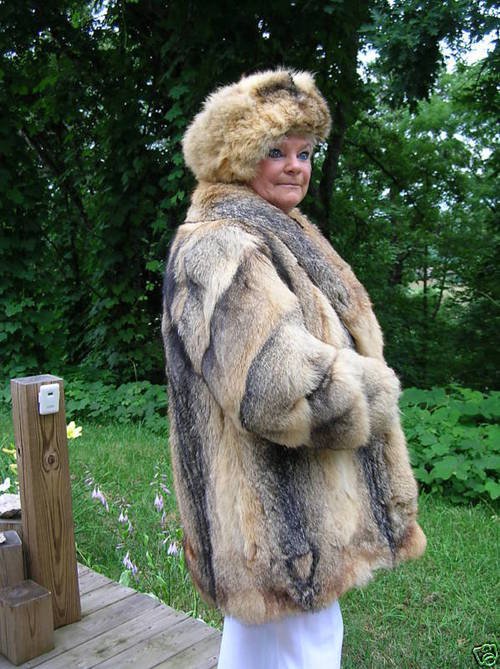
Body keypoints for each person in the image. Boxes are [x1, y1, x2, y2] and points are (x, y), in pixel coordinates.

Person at [162, 68, 427, 668]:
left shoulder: (277, 230)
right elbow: (274, 389)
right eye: (275, 151)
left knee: (266, 650)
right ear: (235, 158)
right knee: (303, 649)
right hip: (278, 524)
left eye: (304, 153)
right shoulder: (222, 245)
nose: (295, 167)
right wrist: (372, 393)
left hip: (286, 512)